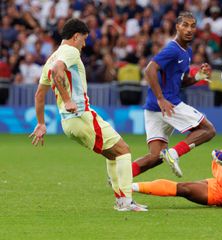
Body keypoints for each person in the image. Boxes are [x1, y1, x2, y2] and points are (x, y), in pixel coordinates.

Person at [29, 18, 147, 212]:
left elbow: (39, 94)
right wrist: (67, 99)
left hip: (69, 123)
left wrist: (41, 123)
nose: (84, 44)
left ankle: (121, 200)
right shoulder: (70, 51)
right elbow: (58, 70)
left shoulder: (51, 57)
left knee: (112, 155)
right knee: (123, 150)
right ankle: (126, 202)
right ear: (75, 37)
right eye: (83, 39)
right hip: (81, 116)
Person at [131, 11, 216, 178]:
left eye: (192, 26)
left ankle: (120, 177)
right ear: (177, 27)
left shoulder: (186, 52)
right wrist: (161, 98)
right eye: (185, 25)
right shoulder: (172, 49)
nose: (189, 29)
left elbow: (180, 82)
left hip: (153, 107)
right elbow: (149, 69)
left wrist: (198, 77)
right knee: (208, 129)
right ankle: (174, 153)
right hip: (168, 104)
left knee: (155, 157)